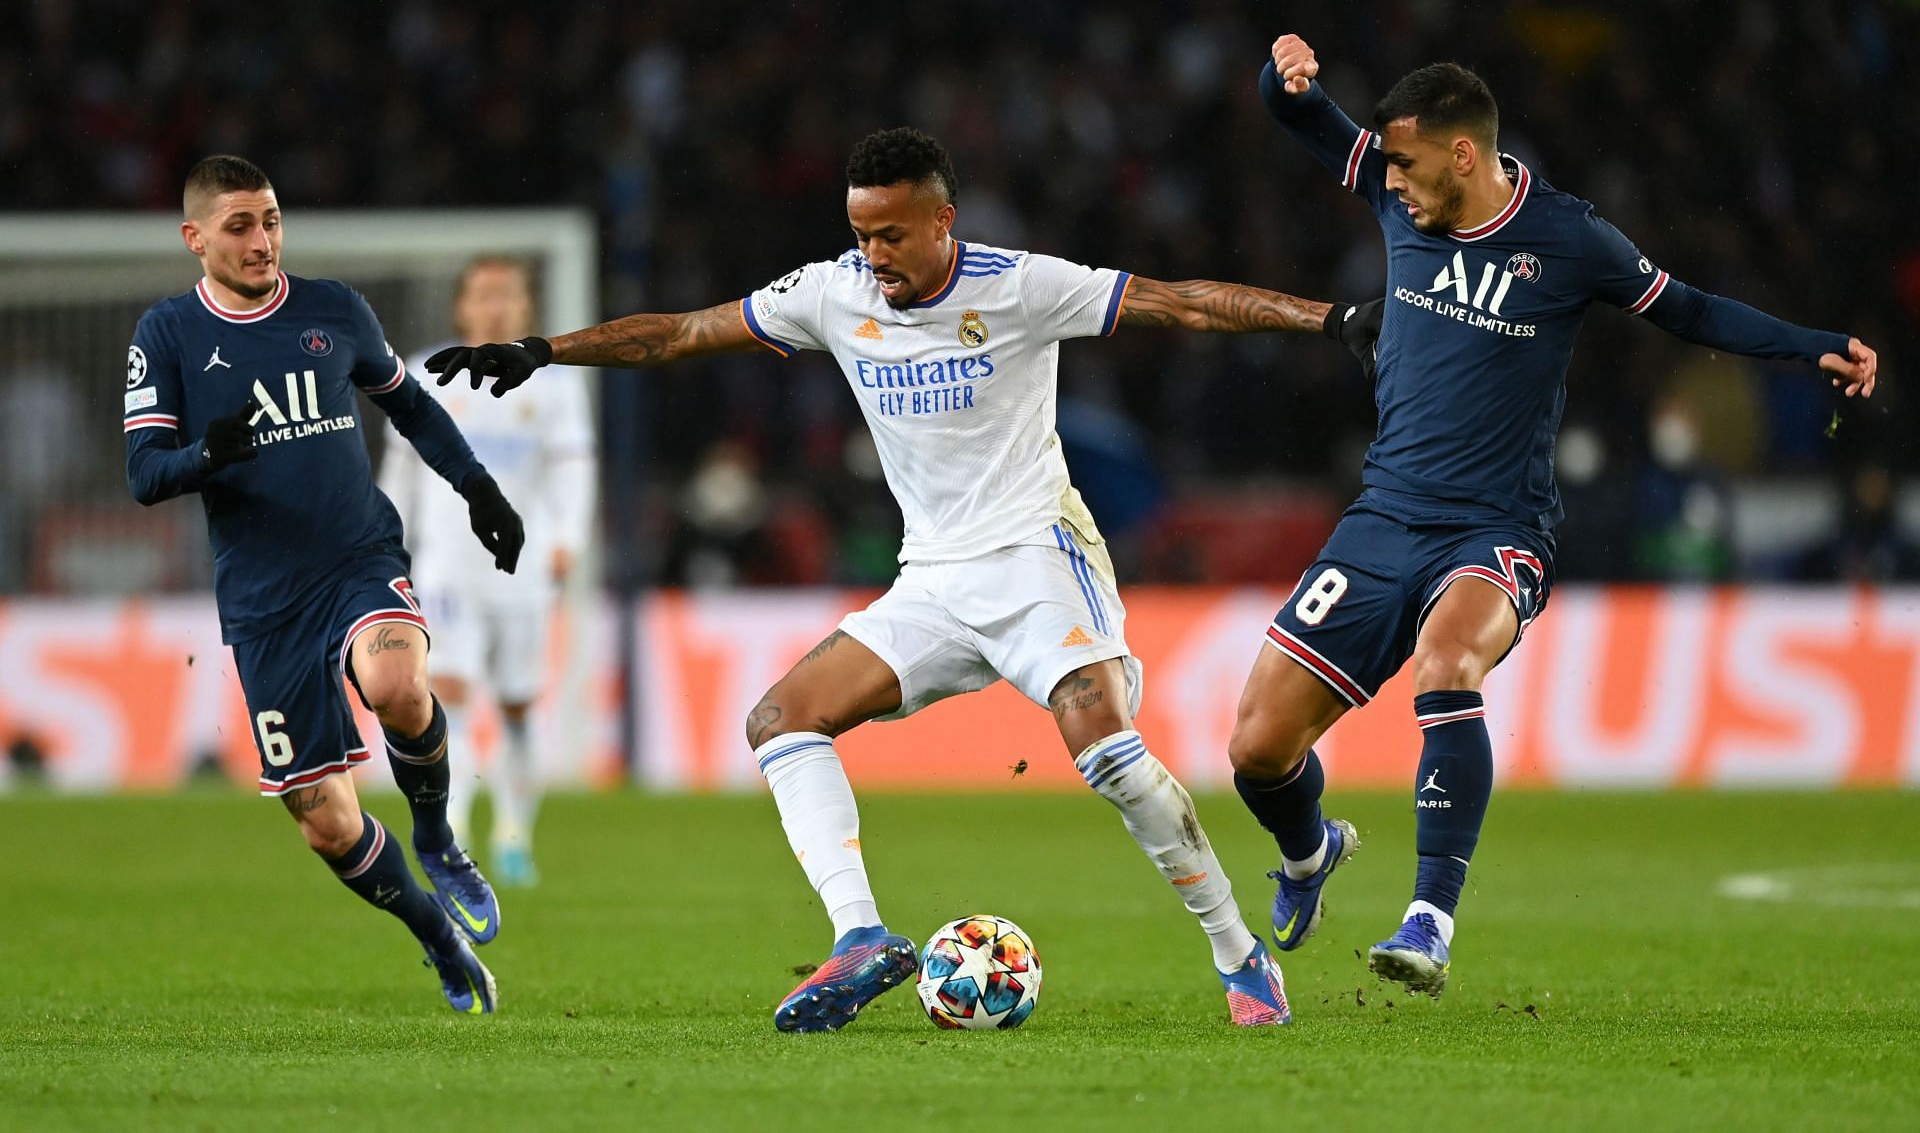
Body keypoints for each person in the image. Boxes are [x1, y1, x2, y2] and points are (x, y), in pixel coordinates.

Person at [429, 127, 1378, 1032]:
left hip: (1039, 559)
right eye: (860, 233)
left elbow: (1183, 302)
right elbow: (679, 333)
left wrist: (1327, 318)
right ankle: (861, 937)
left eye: (890, 233)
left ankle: (1238, 953)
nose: (872, 253)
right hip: (932, 581)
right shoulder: (831, 293)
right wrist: (544, 351)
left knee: (1103, 747)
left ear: (942, 222)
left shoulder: (1022, 287)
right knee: (778, 719)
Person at [1231, 34, 1879, 998]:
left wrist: (1812, 345)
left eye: (1405, 163)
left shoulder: (1571, 240)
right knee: (1256, 751)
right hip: (1383, 518)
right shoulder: (1392, 188)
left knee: (1450, 664)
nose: (1388, 181)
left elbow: (1690, 311)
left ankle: (1430, 919)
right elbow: (1300, 119)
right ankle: (1311, 850)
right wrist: (1281, 78)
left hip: (1495, 528)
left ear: (1463, 154)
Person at [124, 155, 528, 1013]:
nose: (263, 240)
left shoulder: (333, 309)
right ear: (195, 239)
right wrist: (206, 457)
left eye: (271, 220)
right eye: (240, 226)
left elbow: (409, 405)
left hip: (358, 558)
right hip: (265, 601)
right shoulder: (166, 335)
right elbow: (143, 472)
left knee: (395, 681)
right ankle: (434, 933)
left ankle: (437, 837)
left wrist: (478, 487)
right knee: (327, 824)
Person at [381, 256, 597, 886]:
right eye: (484, 295)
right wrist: (386, 540)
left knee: (519, 703)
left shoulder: (554, 386)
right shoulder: (423, 374)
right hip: (447, 564)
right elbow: (398, 474)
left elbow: (573, 469)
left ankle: (513, 831)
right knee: (445, 693)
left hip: (523, 568)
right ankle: (453, 832)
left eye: (509, 296)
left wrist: (569, 537)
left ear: (527, 308)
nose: (496, 307)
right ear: (462, 307)